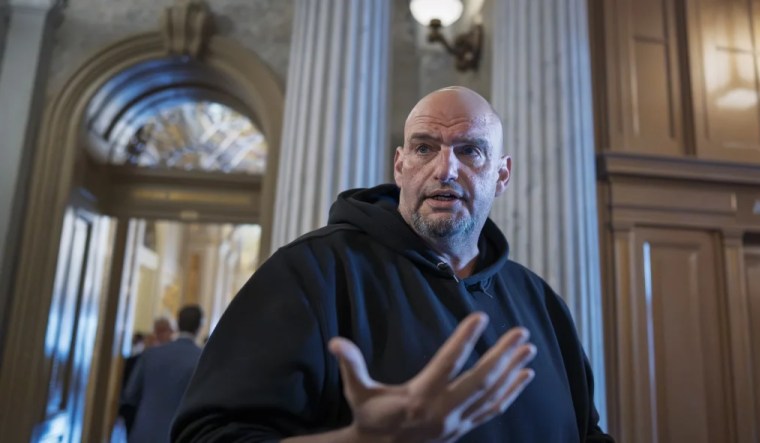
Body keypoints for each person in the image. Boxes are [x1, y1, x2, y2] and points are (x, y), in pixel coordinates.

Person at [171, 87, 613, 442]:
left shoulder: (541, 303)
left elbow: (586, 433)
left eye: (470, 151)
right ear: (400, 166)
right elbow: (207, 434)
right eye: (425, 148)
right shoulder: (311, 273)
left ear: (501, 175)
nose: (445, 170)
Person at [122, 306, 204, 443]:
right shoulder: (202, 359)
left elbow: (130, 395)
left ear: (177, 324)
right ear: (199, 327)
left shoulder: (150, 354)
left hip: (143, 433)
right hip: (177, 436)